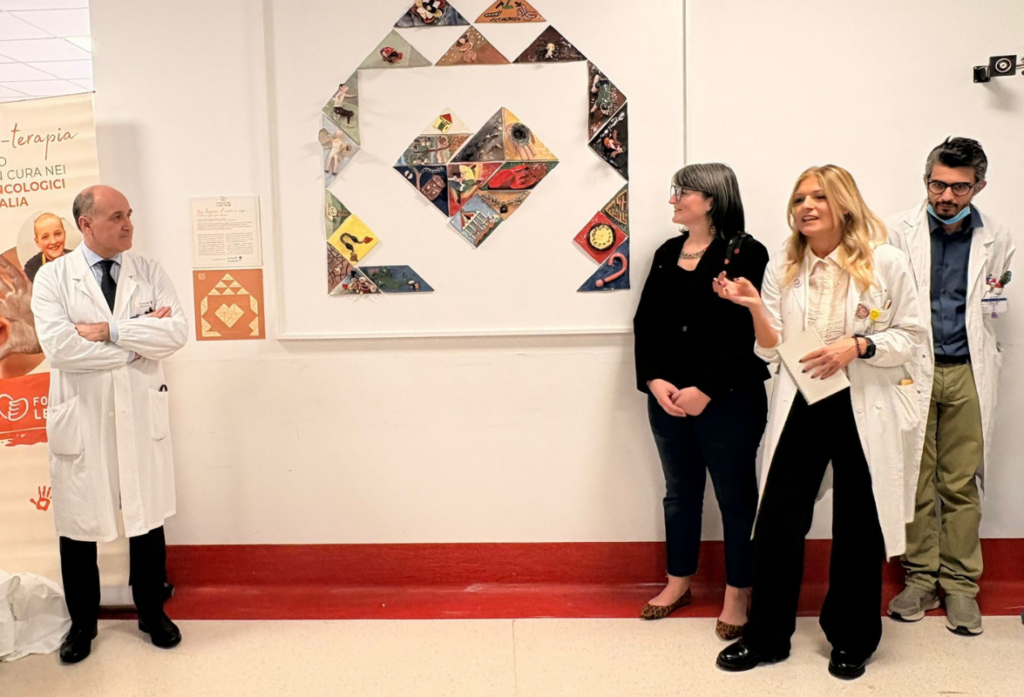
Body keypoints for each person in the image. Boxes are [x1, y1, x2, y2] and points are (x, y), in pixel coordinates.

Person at [713, 165, 925, 680]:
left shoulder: (886, 261)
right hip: (804, 400)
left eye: (819, 197)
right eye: (799, 199)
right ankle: (766, 636)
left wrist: (858, 346)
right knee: (777, 521)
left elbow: (911, 336)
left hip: (862, 402)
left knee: (859, 524)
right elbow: (771, 347)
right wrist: (753, 307)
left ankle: (851, 638)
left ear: (845, 204)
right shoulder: (785, 264)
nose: (806, 206)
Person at [30, 185, 189, 664]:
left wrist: (113, 330)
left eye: (129, 214)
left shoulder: (149, 271)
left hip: (138, 412)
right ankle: (82, 624)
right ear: (86, 224)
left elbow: (175, 332)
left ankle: (151, 612)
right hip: (83, 416)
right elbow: (61, 348)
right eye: (116, 216)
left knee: (147, 518)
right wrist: (137, 346)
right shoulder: (53, 278)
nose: (128, 224)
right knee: (79, 524)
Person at [633, 163, 770, 639]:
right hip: (667, 398)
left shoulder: (746, 252)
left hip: (729, 398)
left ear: (712, 200)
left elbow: (746, 332)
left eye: (682, 191)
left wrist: (705, 390)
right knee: (680, 493)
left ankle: (738, 591)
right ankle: (678, 582)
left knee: (736, 497)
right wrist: (654, 380)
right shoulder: (666, 252)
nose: (673, 199)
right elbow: (646, 324)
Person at [886, 137, 1015, 636]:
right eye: (937, 184)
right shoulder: (896, 233)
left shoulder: (996, 236)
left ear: (978, 186)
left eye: (960, 187)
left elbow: (992, 303)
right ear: (926, 181)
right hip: (910, 370)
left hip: (967, 370)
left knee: (961, 482)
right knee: (915, 479)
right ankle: (920, 579)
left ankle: (960, 585)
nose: (946, 196)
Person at [23, 213, 73, 282]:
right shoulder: (32, 267)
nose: (53, 241)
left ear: (64, 234)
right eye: (45, 237)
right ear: (37, 242)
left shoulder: (77, 258)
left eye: (57, 234)